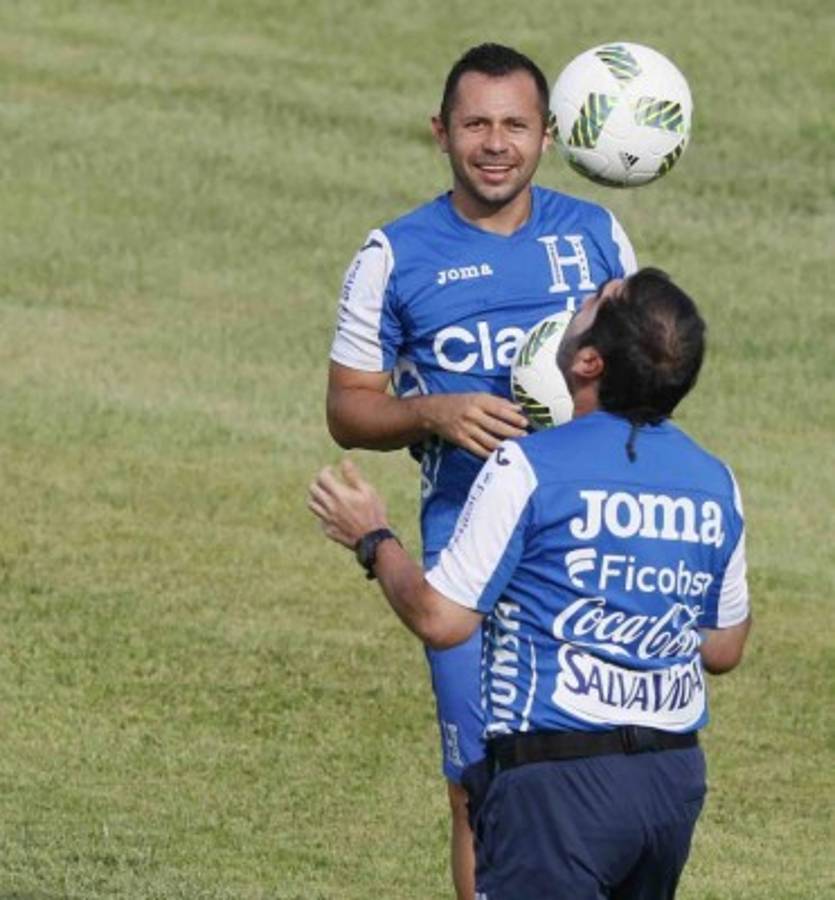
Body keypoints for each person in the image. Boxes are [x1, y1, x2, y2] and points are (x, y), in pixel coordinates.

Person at [311, 269, 752, 898]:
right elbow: (724, 646)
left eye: (594, 303)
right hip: (671, 783)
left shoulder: (527, 467)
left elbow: (441, 619)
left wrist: (373, 538)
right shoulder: (714, 480)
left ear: (590, 362)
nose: (580, 303)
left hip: (557, 788)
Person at [327, 42, 636, 897]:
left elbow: (650, 372)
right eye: (474, 125)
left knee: (604, 774)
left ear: (547, 136)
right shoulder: (393, 255)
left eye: (514, 125)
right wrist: (431, 412)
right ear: (440, 131)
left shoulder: (596, 236)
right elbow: (348, 407)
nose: (494, 144)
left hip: (590, 543)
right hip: (471, 555)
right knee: (479, 786)